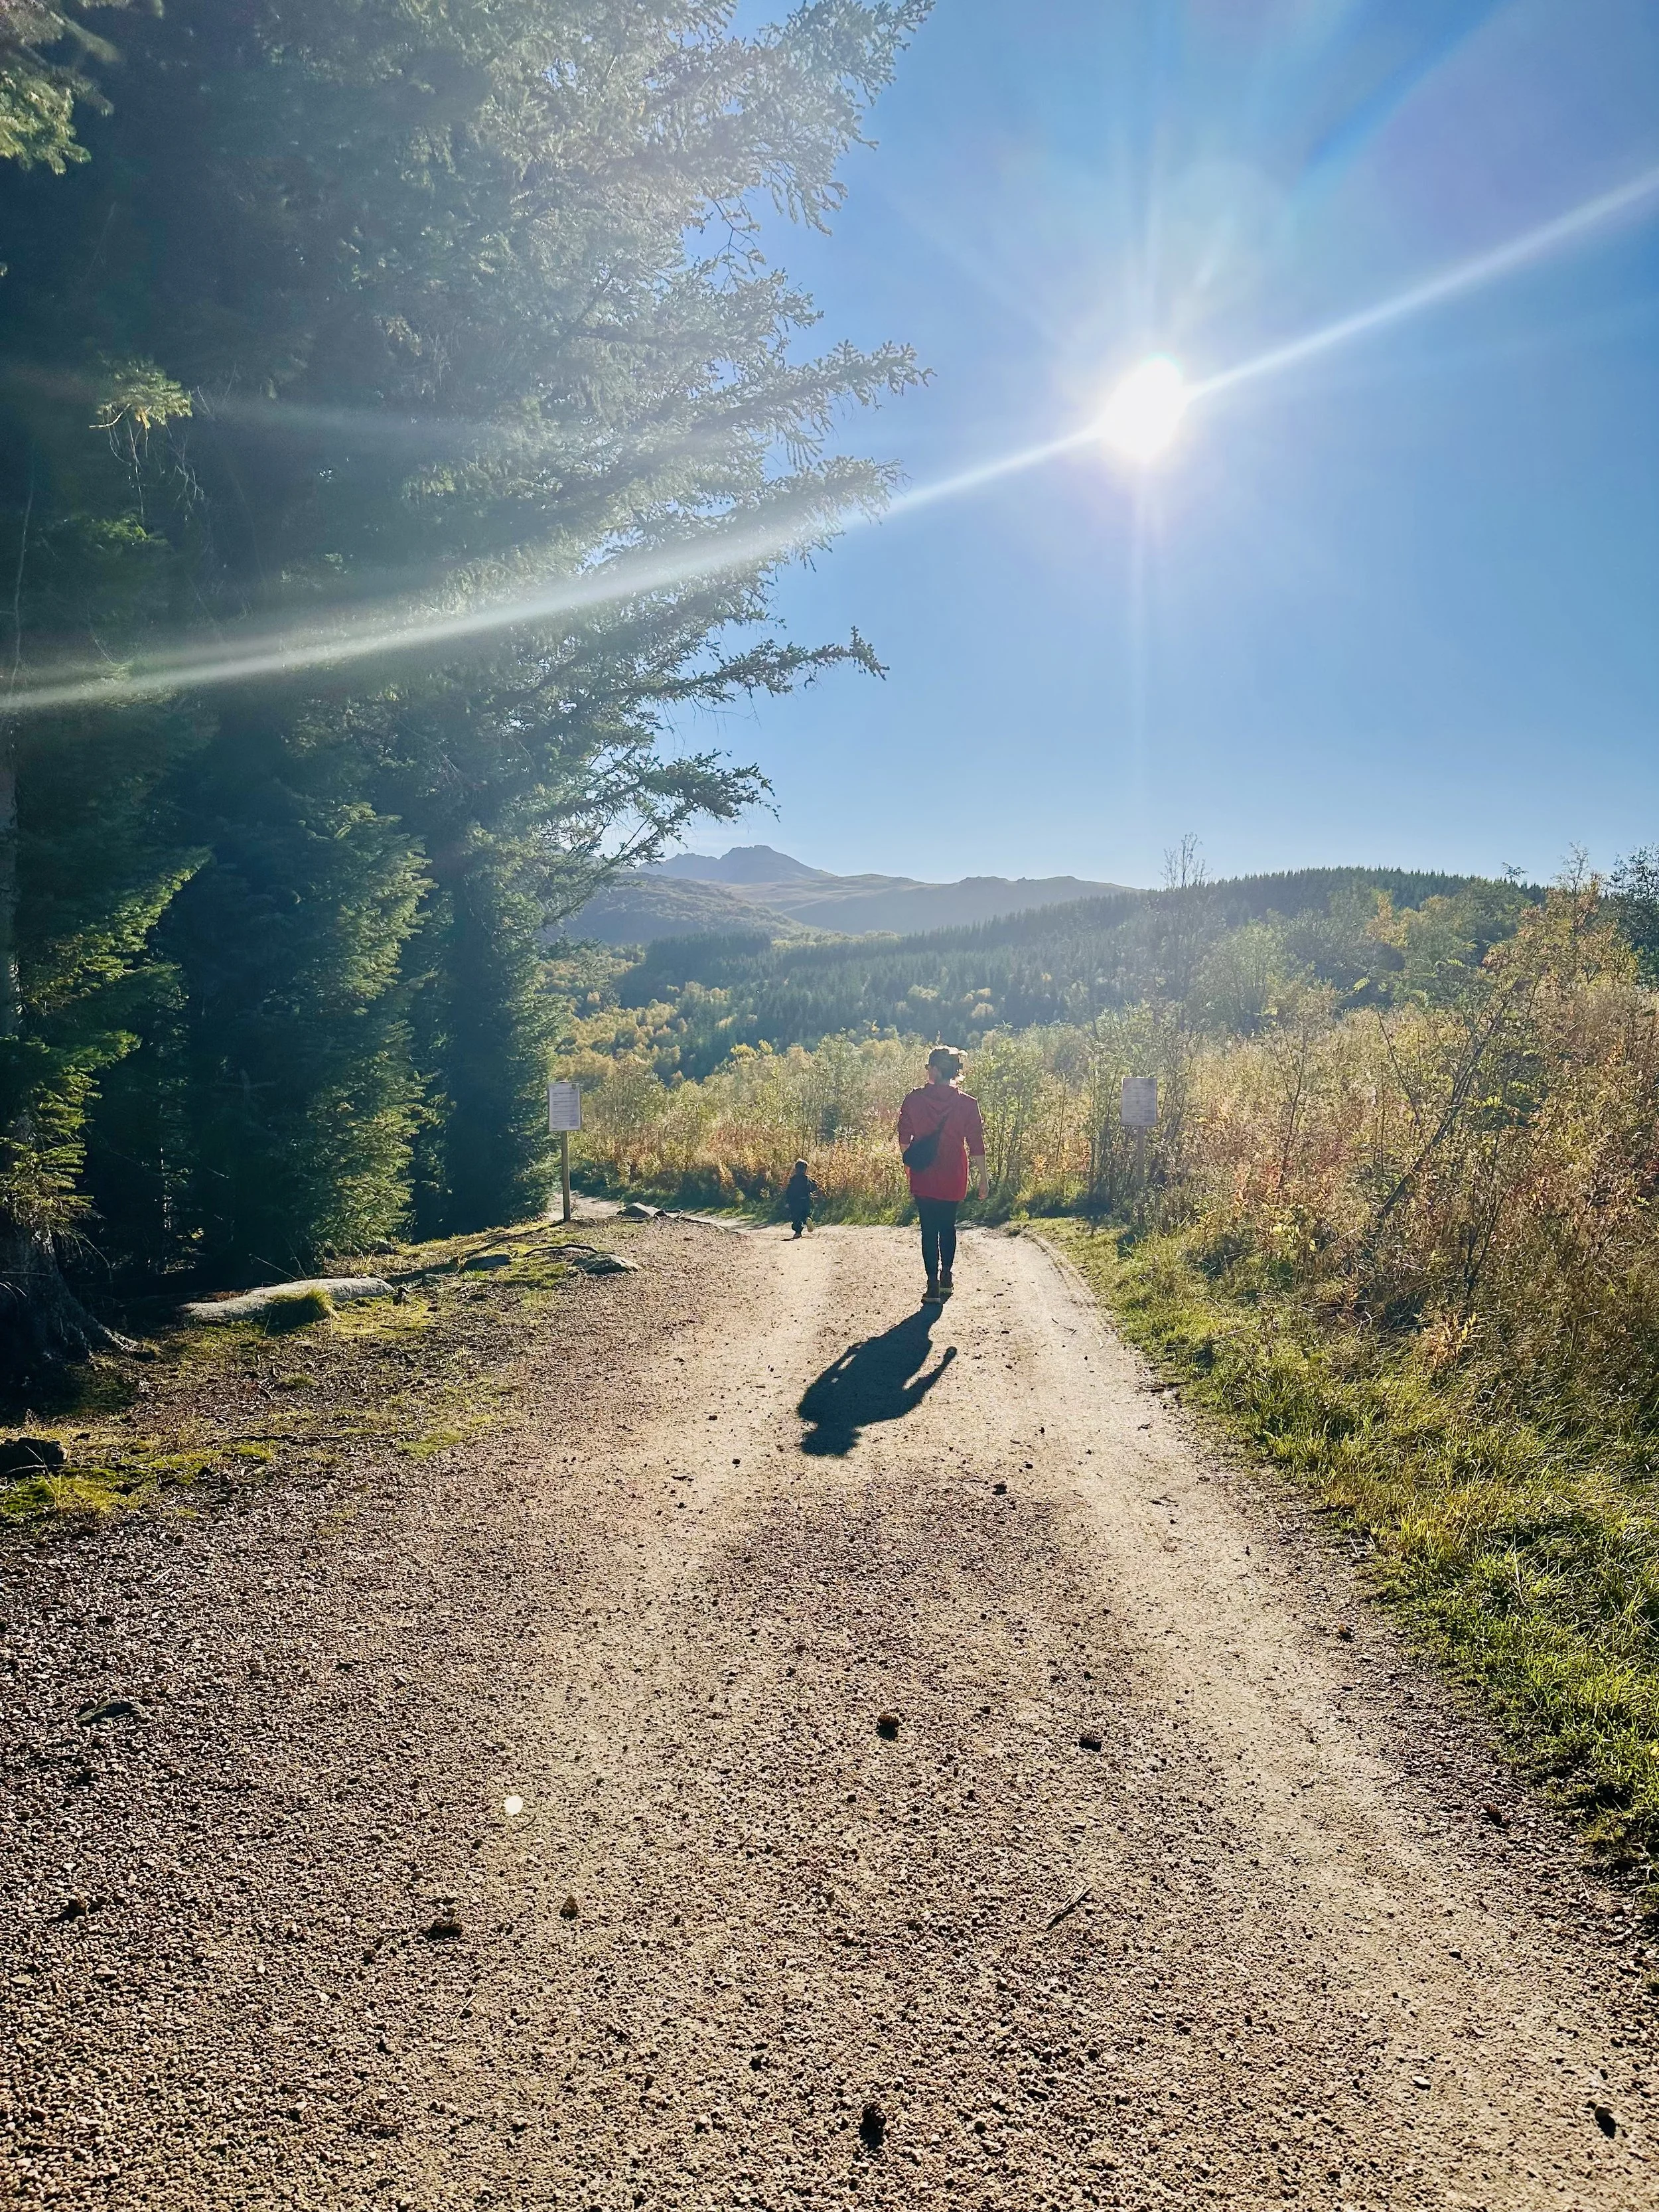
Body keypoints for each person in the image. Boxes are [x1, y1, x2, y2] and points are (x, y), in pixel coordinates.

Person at [897, 1045, 987, 1301]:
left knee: (928, 1229)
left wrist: (908, 1164)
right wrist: (983, 1179)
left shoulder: (914, 1099)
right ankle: (947, 1277)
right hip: (954, 1172)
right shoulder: (968, 1104)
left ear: (935, 1069)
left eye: (928, 1067)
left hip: (924, 1171)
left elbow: (905, 1136)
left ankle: (932, 1285)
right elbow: (976, 1145)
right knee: (948, 1226)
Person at [782, 1158, 820, 1238]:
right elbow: (814, 1186)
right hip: (806, 1200)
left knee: (796, 1217)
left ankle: (798, 1232)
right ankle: (807, 1219)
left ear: (796, 1169)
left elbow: (789, 1191)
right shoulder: (807, 1178)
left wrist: (788, 1202)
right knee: (805, 1214)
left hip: (795, 1202)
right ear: (805, 1170)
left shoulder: (793, 1180)